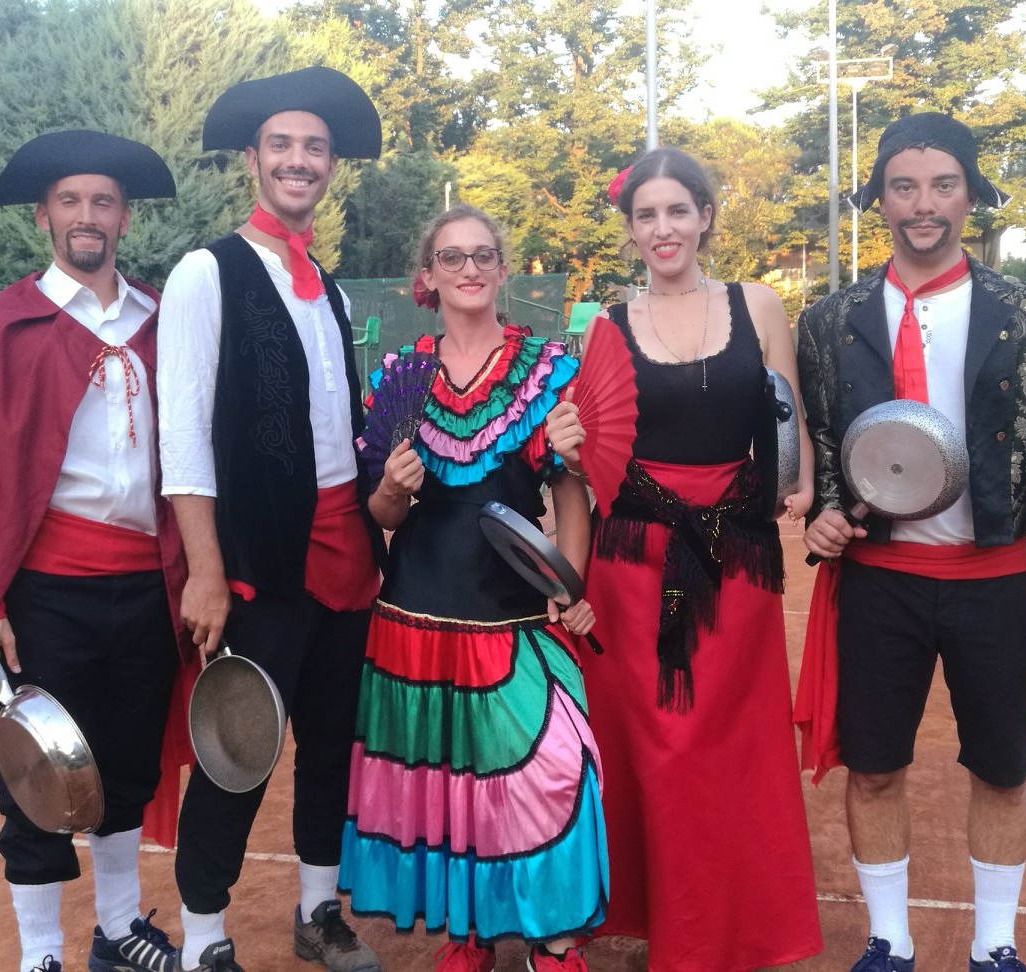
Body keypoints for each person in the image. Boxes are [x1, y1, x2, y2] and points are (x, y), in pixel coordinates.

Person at [795, 113, 1026, 972]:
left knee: (1003, 771)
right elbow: (823, 444)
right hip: (878, 580)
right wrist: (825, 514)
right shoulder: (829, 320)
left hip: (992, 577)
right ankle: (889, 942)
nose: (923, 204)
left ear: (971, 195)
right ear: (881, 199)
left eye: (943, 185)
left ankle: (994, 946)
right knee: (873, 769)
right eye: (904, 187)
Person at [0, 130, 193, 972]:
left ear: (125, 218)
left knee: (126, 767)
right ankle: (40, 953)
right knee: (37, 775)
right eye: (70, 201)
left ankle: (117, 929)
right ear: (44, 217)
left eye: (103, 201)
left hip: (148, 586)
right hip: (44, 594)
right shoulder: (4, 325)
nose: (87, 216)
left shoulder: (161, 322)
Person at [337, 205, 608, 972]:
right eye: (452, 257)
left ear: (503, 269)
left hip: (517, 619)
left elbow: (572, 497)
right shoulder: (402, 375)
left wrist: (568, 585)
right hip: (415, 620)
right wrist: (391, 487)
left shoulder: (546, 369)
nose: (469, 269)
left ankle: (554, 943)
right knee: (454, 789)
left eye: (483, 255)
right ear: (428, 275)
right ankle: (476, 934)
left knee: (560, 770)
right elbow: (383, 516)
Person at [157, 66, 385, 972]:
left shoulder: (328, 286)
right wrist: (207, 571)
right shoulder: (205, 272)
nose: (299, 160)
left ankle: (318, 910)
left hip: (347, 549)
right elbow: (182, 435)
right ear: (252, 159)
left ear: (330, 165)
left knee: (333, 744)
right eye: (282, 145)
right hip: (260, 557)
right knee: (239, 747)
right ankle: (204, 938)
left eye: (314, 148)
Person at [575, 147, 823, 971]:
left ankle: (722, 933)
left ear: (706, 216)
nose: (663, 228)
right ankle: (672, 933)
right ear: (631, 229)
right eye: (646, 215)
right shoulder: (606, 326)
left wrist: (799, 488)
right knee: (656, 751)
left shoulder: (760, 304)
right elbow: (589, 454)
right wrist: (567, 445)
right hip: (633, 563)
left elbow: (788, 423)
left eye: (677, 210)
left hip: (735, 556)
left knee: (728, 748)